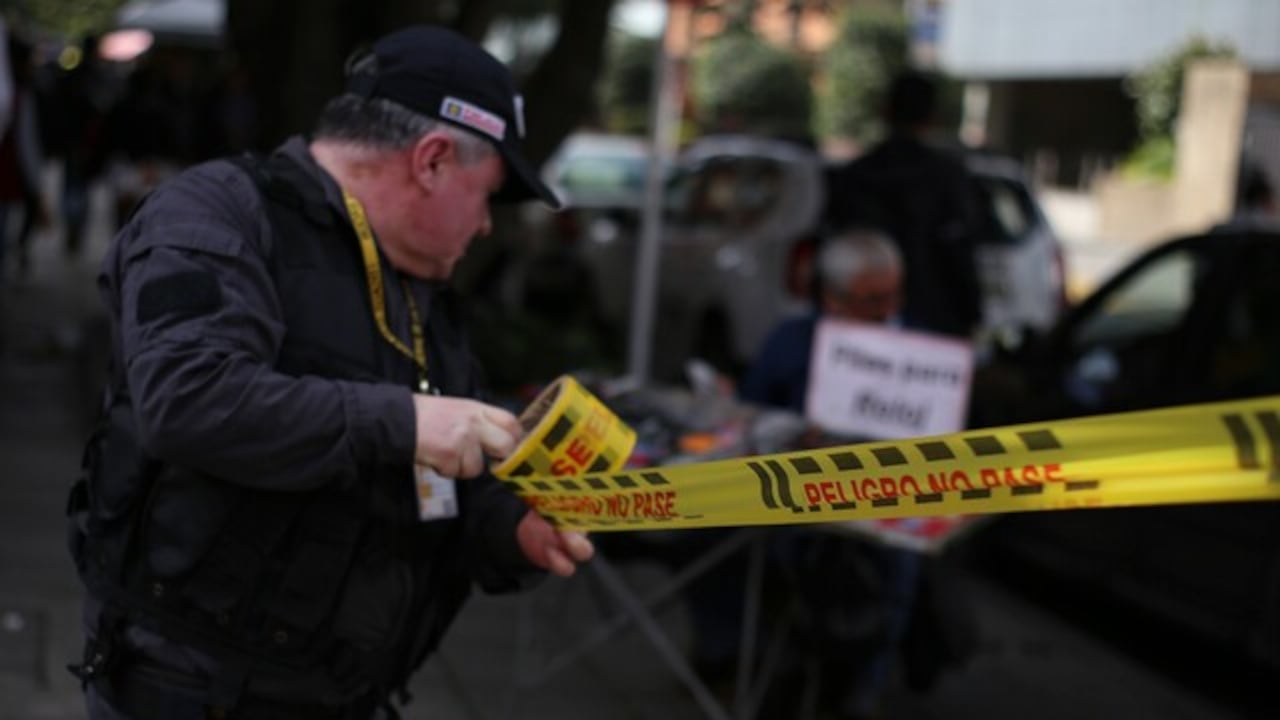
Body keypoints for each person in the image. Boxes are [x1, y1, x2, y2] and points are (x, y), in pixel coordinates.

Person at [67, 26, 595, 720]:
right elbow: (189, 400)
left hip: (341, 691)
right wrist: (406, 421)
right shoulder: (220, 213)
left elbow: (440, 476)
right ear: (433, 161)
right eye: (489, 195)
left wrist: (514, 530)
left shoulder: (422, 293)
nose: (488, 226)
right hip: (192, 690)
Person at [740, 229, 920, 720]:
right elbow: (750, 419)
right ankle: (785, 669)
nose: (889, 310)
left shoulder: (921, 344)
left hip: (890, 510)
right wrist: (793, 436)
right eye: (874, 300)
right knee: (775, 566)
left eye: (895, 294)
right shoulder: (791, 343)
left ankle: (863, 690)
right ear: (831, 299)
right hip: (803, 508)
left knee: (897, 571)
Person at [826, 70, 983, 339]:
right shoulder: (947, 177)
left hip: (857, 325)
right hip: (934, 324)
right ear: (932, 118)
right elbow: (959, 252)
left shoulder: (854, 176)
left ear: (884, 111)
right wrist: (971, 314)